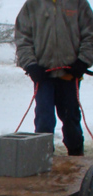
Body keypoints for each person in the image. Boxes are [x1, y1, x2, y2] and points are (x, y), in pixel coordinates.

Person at [15, 0, 93, 156]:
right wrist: (31, 66)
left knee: (71, 118)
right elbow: (22, 39)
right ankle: (41, 159)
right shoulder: (32, 5)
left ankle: (76, 156)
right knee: (44, 120)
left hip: (69, 75)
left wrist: (83, 61)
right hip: (43, 77)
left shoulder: (79, 4)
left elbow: (90, 36)